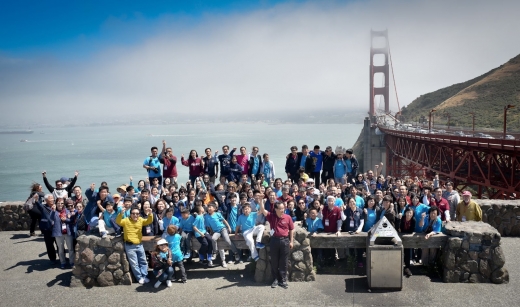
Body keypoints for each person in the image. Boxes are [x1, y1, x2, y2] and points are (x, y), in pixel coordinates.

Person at [258, 199, 294, 289]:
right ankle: (275, 279)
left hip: (285, 241)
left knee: (284, 261)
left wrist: (291, 241)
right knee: (274, 261)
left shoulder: (288, 217)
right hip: (274, 240)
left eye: (283, 208)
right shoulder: (271, 216)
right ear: (276, 209)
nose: (283, 210)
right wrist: (261, 200)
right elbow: (262, 210)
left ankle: (283, 280)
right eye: (281, 208)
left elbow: (291, 229)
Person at [116, 205, 154, 284]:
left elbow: (148, 221)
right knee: (134, 263)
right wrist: (121, 214)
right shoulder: (126, 220)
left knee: (143, 261)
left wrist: (150, 214)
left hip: (139, 245)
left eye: (137, 213)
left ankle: (145, 276)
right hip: (130, 246)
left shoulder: (140, 220)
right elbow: (118, 222)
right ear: (130, 214)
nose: (135, 215)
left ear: (139, 214)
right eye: (133, 213)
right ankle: (139, 278)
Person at [205, 203, 239, 267]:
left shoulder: (218, 214)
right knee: (213, 239)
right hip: (216, 231)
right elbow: (209, 226)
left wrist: (228, 227)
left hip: (222, 229)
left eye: (211, 207)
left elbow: (224, 221)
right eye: (208, 207)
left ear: (214, 209)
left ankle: (236, 252)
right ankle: (215, 252)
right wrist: (212, 232)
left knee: (227, 240)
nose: (209, 208)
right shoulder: (206, 216)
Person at [52, 198, 76, 269]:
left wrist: (66, 219)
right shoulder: (54, 212)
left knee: (70, 248)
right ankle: (62, 262)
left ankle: (72, 262)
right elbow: (50, 218)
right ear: (56, 204)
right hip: (59, 233)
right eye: (58, 203)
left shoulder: (67, 211)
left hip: (68, 232)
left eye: (62, 203)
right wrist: (53, 211)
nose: (60, 205)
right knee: (60, 249)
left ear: (64, 204)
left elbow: (72, 220)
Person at [342, 196, 365, 268]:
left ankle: (360, 261)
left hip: (357, 232)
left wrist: (359, 229)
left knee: (359, 248)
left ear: (355, 202)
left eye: (353, 201)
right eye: (350, 202)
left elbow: (362, 222)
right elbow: (343, 219)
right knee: (350, 247)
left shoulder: (360, 210)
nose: (352, 203)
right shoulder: (346, 211)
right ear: (348, 204)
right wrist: (341, 211)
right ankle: (352, 262)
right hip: (348, 232)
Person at [399, 208, 416, 277]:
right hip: (400, 236)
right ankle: (399, 267)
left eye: (410, 213)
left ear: (412, 214)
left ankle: (407, 267)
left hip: (408, 237)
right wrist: (399, 220)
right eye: (407, 212)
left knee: (407, 252)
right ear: (405, 213)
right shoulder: (402, 218)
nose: (409, 214)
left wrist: (402, 230)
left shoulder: (413, 220)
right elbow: (398, 227)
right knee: (399, 252)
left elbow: (411, 230)